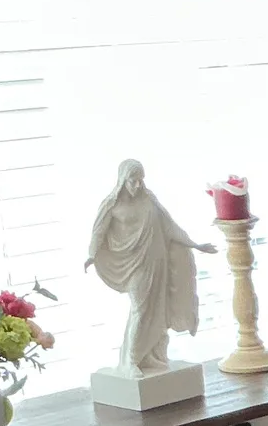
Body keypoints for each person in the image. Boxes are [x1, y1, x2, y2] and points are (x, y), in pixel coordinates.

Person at [85, 159, 217, 375]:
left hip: (157, 261)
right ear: (122, 180)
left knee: (159, 311)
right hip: (134, 264)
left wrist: (195, 245)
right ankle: (131, 360)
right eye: (132, 180)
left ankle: (154, 358)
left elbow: (170, 226)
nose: (137, 185)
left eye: (140, 180)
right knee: (141, 309)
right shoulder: (112, 205)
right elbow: (98, 232)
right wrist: (92, 255)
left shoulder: (149, 199)